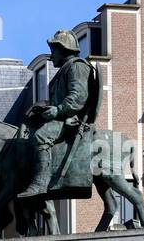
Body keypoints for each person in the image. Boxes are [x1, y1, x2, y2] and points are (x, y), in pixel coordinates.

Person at [18, 29, 93, 199]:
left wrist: (57, 110)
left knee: (41, 136)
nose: (51, 57)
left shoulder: (77, 66)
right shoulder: (65, 69)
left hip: (70, 119)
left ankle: (40, 183)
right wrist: (43, 108)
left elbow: (78, 97)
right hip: (61, 116)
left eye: (54, 52)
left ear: (64, 50)